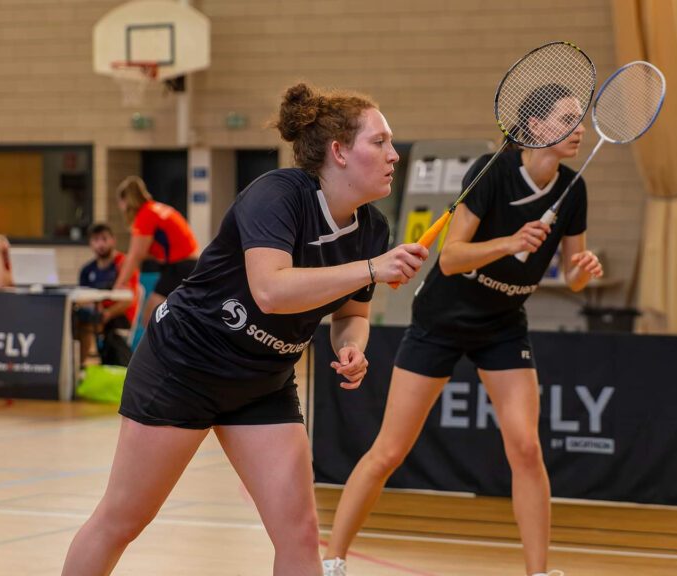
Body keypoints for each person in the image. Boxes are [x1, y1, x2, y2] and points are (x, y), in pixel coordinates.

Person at [61, 82, 428, 576]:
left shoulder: (372, 230)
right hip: (184, 366)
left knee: (298, 533)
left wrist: (351, 348)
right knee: (123, 519)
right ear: (339, 152)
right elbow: (271, 290)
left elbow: (350, 317)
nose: (393, 155)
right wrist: (370, 270)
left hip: (264, 381)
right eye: (379, 142)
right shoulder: (278, 195)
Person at [323, 84, 603, 576]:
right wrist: (510, 241)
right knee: (389, 450)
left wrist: (584, 268)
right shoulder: (491, 173)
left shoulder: (572, 189)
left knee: (526, 446)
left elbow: (573, 276)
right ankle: (332, 559)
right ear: (535, 127)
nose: (579, 127)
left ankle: (539, 572)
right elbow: (450, 259)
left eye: (580, 119)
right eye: (567, 118)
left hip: (504, 324)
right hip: (443, 320)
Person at [111, 175, 199, 327]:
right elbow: (148, 251)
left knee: (151, 316)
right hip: (188, 264)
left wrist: (119, 285)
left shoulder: (145, 215)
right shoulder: (156, 209)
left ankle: (156, 350)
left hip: (180, 267)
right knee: (169, 316)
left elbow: (135, 255)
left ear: (126, 201)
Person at [75, 223, 139, 366]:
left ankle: (79, 365)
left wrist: (107, 313)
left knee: (84, 325)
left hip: (118, 316)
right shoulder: (86, 270)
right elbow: (82, 297)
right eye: (96, 240)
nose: (101, 244)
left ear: (113, 240)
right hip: (96, 314)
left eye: (104, 239)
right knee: (73, 321)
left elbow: (129, 299)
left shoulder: (123, 264)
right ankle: (76, 368)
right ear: (90, 243)